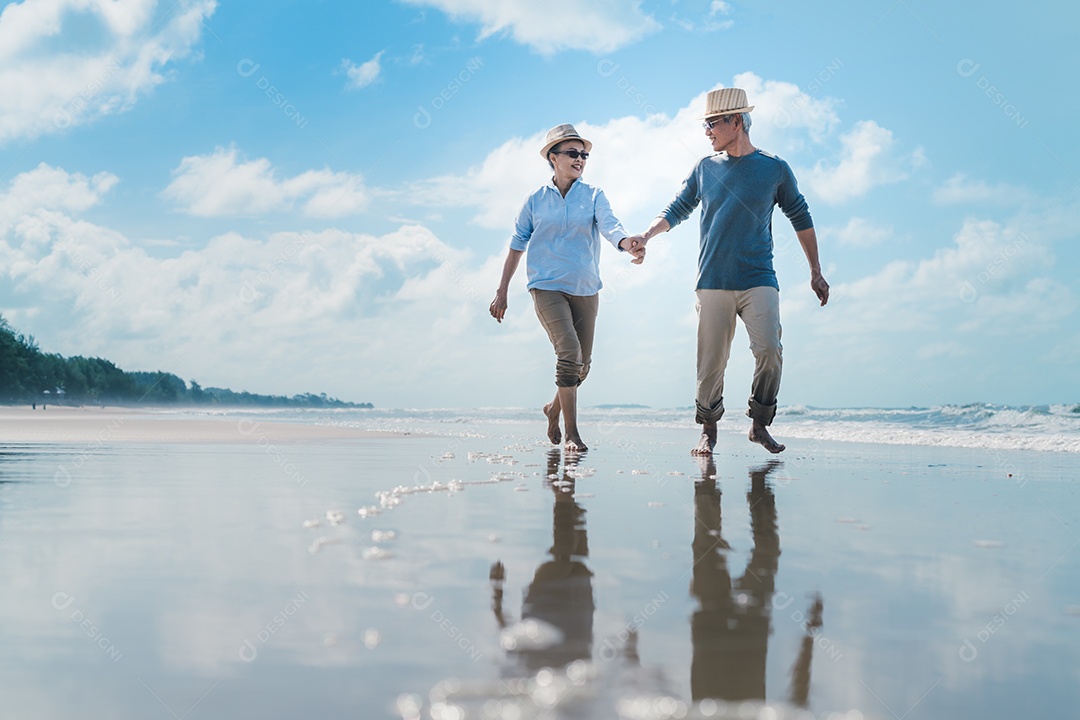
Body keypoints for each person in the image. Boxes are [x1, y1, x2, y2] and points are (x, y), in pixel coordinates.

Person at [627, 87, 829, 455]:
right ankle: (709, 430)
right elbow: (677, 208)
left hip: (759, 278)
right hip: (713, 281)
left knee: (770, 349)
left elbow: (800, 215)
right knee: (711, 364)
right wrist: (647, 234)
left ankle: (759, 424)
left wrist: (815, 270)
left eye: (712, 123)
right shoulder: (705, 168)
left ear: (736, 122)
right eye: (705, 124)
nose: (707, 131)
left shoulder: (774, 168)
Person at [490, 123, 643, 451]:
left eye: (584, 155)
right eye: (572, 153)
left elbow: (610, 225)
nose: (580, 159)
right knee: (569, 354)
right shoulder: (535, 200)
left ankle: (552, 408)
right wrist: (502, 290)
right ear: (553, 158)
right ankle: (572, 434)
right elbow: (517, 244)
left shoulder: (593, 195)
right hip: (546, 286)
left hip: (586, 288)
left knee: (582, 366)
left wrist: (626, 242)